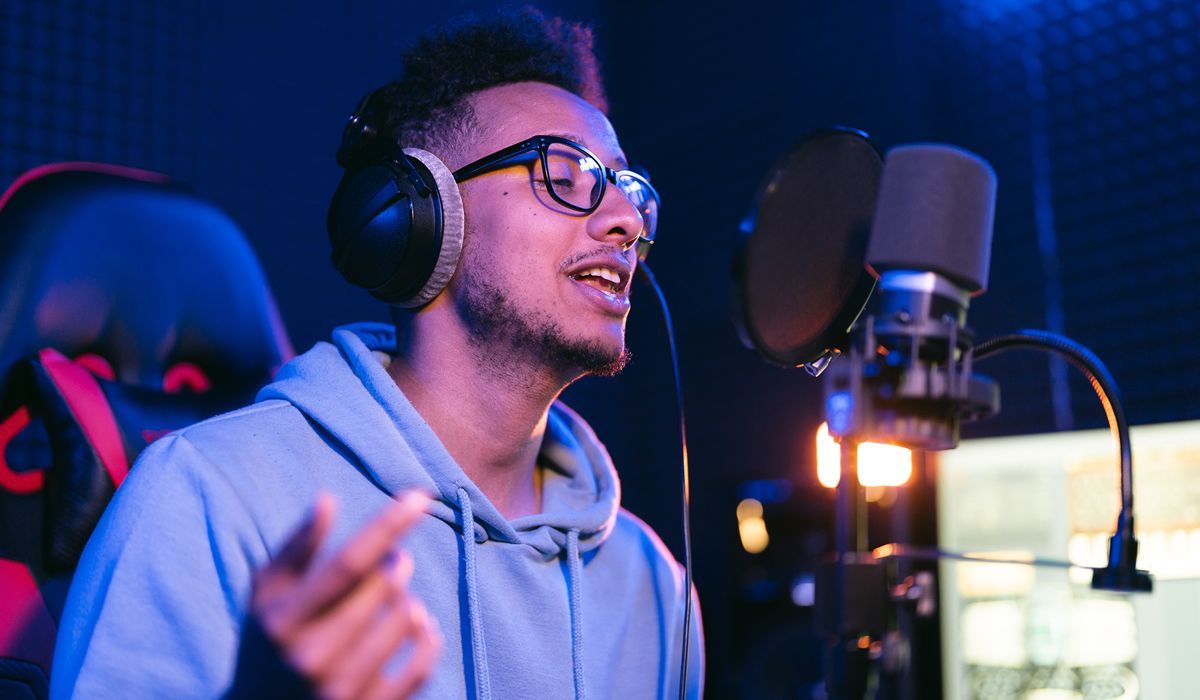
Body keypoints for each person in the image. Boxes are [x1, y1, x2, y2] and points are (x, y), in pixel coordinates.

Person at [51, 7, 704, 699]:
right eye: (564, 174)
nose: (626, 221)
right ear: (418, 219)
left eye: (629, 190)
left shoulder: (656, 588)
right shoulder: (210, 495)